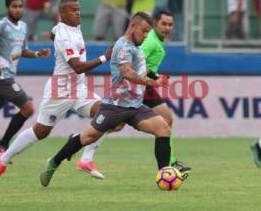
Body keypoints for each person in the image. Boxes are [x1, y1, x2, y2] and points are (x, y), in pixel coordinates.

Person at [38, 12, 177, 187]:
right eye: (144, 31)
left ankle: (165, 177)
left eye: (149, 32)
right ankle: (53, 163)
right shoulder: (123, 46)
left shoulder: (135, 47)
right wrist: (153, 83)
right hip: (115, 107)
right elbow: (127, 73)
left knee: (163, 129)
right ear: (132, 27)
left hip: (135, 105)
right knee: (87, 137)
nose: (146, 35)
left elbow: (141, 69)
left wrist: (155, 76)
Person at [0, 0, 113, 183]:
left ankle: (86, 160)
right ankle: (3, 158)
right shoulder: (65, 36)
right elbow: (77, 67)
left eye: (78, 9)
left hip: (78, 88)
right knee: (41, 131)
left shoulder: (69, 27)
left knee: (107, 114)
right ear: (62, 14)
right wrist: (105, 58)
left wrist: (54, 33)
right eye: (73, 10)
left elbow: (55, 30)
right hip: (60, 90)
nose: (78, 12)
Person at [76, 11, 191, 179]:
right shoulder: (150, 41)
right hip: (137, 86)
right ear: (155, 25)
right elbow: (136, 61)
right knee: (166, 119)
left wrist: (155, 77)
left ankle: (85, 149)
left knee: (117, 125)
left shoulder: (156, 40)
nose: (167, 28)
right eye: (163, 24)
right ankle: (170, 165)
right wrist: (154, 78)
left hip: (142, 85)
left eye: (170, 25)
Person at [0, 0, 51, 152]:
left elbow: (22, 50)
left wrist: (37, 54)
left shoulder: (23, 27)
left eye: (20, 6)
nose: (18, 9)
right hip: (1, 77)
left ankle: (2, 143)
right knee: (28, 108)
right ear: (7, 8)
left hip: (7, 76)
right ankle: (3, 143)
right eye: (14, 6)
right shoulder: (1, 25)